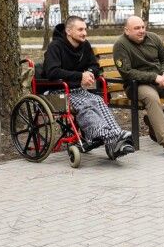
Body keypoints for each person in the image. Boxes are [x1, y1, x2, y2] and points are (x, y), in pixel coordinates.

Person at [43, 16, 135, 159]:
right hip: (58, 90)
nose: (84, 33)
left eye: (85, 29)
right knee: (86, 104)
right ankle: (112, 135)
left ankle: (114, 138)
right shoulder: (55, 47)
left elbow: (94, 66)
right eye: (80, 29)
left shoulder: (85, 45)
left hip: (76, 89)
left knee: (98, 100)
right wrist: (80, 76)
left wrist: (90, 74)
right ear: (68, 31)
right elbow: (52, 72)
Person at [113, 16, 164, 158]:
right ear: (126, 30)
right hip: (137, 85)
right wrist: (154, 77)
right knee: (152, 98)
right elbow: (127, 72)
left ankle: (152, 123)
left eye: (143, 27)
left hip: (160, 79)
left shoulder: (153, 38)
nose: (141, 31)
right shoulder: (121, 45)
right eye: (137, 28)